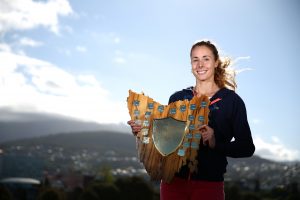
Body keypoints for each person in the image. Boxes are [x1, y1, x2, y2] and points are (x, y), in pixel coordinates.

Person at [127, 40, 255, 200]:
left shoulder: (232, 102)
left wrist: (215, 143)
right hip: (172, 183)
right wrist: (144, 131)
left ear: (216, 62)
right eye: (195, 59)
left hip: (209, 185)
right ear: (191, 64)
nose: (200, 64)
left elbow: (247, 148)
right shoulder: (178, 97)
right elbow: (166, 141)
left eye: (206, 58)